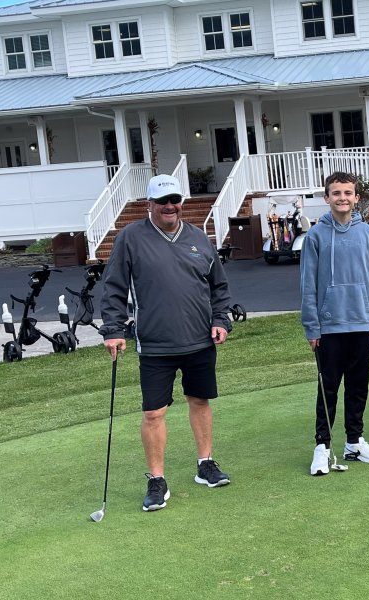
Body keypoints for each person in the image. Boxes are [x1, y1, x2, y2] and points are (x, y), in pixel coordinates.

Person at [100, 174, 233, 512]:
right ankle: (156, 479)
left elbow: (218, 287)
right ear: (150, 205)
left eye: (175, 200)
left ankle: (205, 464)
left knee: (200, 400)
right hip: (155, 344)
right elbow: (114, 287)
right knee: (153, 413)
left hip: (200, 339)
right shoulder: (130, 238)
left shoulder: (198, 237)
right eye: (162, 202)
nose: (170, 206)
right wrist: (113, 329)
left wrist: (220, 320)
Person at [300, 171, 369, 476]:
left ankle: (354, 442)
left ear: (356, 198)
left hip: (362, 322)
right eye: (336, 193)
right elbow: (308, 285)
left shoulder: (367, 234)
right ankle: (322, 447)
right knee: (328, 388)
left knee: (358, 386)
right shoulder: (315, 236)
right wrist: (312, 326)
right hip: (329, 326)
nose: (342, 198)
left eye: (348, 193)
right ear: (327, 197)